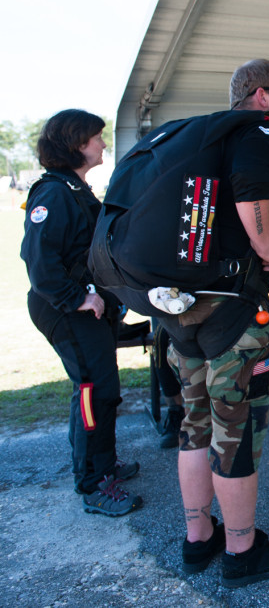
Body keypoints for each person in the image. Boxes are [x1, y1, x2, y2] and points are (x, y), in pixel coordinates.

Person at [161, 59, 269, 586]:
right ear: (262, 95)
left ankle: (199, 539)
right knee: (236, 430)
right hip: (234, 318)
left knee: (194, 424)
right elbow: (250, 187)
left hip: (183, 314)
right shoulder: (260, 130)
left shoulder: (204, 138)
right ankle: (243, 552)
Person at [21, 109, 141, 516]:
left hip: (85, 306)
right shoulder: (53, 192)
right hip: (66, 307)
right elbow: (40, 263)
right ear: (76, 143)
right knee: (93, 391)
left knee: (100, 390)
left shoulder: (74, 189)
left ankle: (103, 465)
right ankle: (92, 482)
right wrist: (77, 299)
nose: (103, 144)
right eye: (96, 137)